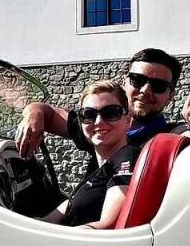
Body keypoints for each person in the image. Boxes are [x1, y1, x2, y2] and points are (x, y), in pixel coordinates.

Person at [16, 48, 190, 171]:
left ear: (170, 95)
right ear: (125, 82)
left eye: (158, 86)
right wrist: (34, 111)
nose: (146, 90)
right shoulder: (103, 124)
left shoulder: (169, 135)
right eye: (138, 80)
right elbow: (49, 113)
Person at [41, 81, 135, 229]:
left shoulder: (126, 158)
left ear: (128, 120)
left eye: (111, 113)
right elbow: (61, 212)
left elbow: (110, 224)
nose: (98, 122)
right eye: (88, 114)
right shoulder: (102, 167)